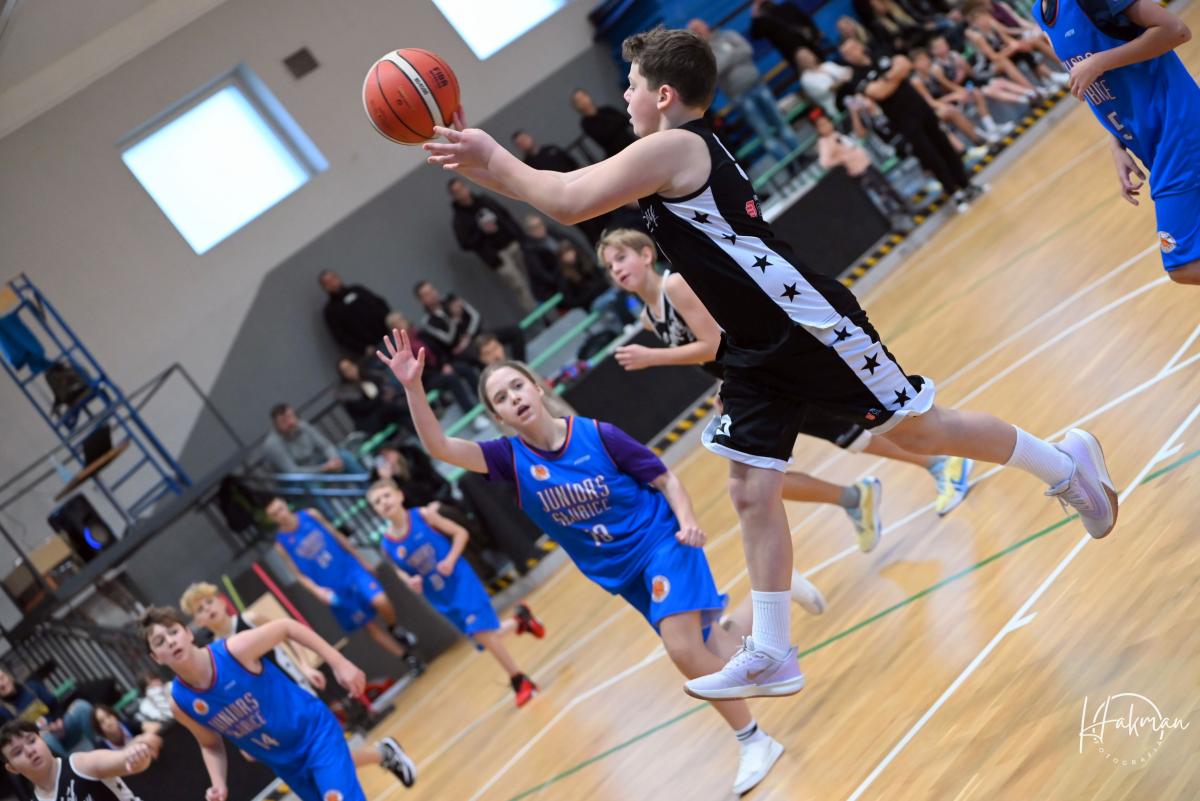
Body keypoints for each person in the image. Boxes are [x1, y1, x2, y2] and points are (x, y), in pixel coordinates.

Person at [420, 25, 1117, 706]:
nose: (623, 97)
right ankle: (774, 648)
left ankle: (1064, 466)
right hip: (755, 347)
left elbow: (568, 198)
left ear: (663, 95)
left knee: (922, 430)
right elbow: (549, 188)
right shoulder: (666, 152)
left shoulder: (677, 147)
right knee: (752, 490)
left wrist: (487, 153)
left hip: (806, 324)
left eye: (630, 85)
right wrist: (472, 156)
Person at [376, 335, 826, 794]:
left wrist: (688, 520)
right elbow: (439, 447)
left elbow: (664, 478)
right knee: (714, 645)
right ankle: (780, 590)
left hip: (661, 542)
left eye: (517, 386)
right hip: (620, 572)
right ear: (498, 417)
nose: (514, 398)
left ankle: (753, 740)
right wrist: (413, 388)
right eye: (501, 398)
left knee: (683, 649)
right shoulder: (508, 459)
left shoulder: (597, 435)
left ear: (536, 387)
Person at [600, 227, 971, 538]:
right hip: (749, 383)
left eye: (620, 258)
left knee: (846, 433)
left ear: (646, 254)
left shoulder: (676, 286)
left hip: (770, 367)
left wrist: (653, 357)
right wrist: (723, 389)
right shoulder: (649, 317)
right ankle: (856, 498)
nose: (616, 269)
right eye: (609, 266)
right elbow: (714, 356)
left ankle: (939, 464)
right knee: (762, 476)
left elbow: (712, 343)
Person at [140, 606, 415, 801]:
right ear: (156, 657)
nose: (170, 642)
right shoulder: (181, 702)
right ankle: (384, 754)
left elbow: (286, 627)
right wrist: (219, 783)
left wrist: (339, 663)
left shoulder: (234, 650)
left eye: (173, 632)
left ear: (188, 633)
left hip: (314, 733)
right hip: (285, 763)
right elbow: (210, 744)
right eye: (160, 641)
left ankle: (384, 754)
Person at [1034, 0, 1200, 284]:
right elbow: (1110, 86)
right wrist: (1117, 143)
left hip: (1178, 131)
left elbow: (1176, 30)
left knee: (1183, 265)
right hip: (1155, 144)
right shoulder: (1041, 11)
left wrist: (1100, 62)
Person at [367, 480, 544, 707]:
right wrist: (410, 580)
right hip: (438, 595)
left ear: (399, 495)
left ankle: (519, 680)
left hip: (460, 580)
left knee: (480, 631)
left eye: (386, 496)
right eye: (377, 502)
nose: (383, 502)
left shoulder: (423, 516)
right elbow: (399, 570)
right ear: (375, 510)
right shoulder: (387, 544)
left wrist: (450, 559)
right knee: (483, 638)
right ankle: (520, 620)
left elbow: (460, 533)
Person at [266, 497, 424, 673]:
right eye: (275, 514)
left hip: (350, 569)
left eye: (280, 509)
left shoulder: (310, 515)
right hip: (332, 587)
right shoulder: (281, 544)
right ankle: (408, 658)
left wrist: (361, 559)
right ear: (273, 519)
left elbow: (337, 536)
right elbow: (298, 574)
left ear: (286, 506)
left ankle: (394, 627)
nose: (280, 514)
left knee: (380, 600)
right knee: (368, 625)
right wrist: (317, 591)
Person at [840, 37, 986, 212]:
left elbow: (905, 64)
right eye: (846, 53)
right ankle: (955, 193)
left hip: (920, 107)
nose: (852, 53)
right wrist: (895, 75)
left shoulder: (880, 52)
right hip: (902, 118)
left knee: (945, 146)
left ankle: (966, 184)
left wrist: (887, 79)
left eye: (852, 48)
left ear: (859, 45)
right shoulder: (856, 78)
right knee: (930, 155)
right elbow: (879, 93)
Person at [687, 19, 803, 168]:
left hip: (757, 84)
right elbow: (715, 70)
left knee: (780, 122)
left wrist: (726, 59)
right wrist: (733, 54)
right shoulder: (703, 54)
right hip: (739, 96)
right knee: (764, 133)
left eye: (699, 26)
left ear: (705, 24)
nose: (699, 30)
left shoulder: (727, 35)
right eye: (695, 30)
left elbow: (747, 49)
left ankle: (801, 156)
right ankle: (790, 165)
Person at [0, 719, 159, 801]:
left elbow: (127, 762)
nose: (30, 751)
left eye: (32, 741)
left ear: (43, 740)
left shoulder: (81, 764)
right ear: (12, 768)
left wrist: (136, 753)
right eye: (18, 752)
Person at [448, 178, 537, 313]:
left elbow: (505, 215)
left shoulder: (485, 201)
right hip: (497, 256)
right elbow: (464, 243)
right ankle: (537, 314)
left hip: (511, 242)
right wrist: (481, 231)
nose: (462, 193)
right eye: (457, 192)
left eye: (462, 188)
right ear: (454, 196)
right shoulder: (459, 219)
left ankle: (550, 307)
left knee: (534, 274)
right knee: (519, 285)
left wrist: (520, 236)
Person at [814, 116, 915, 229]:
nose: (827, 125)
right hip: (859, 171)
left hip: (866, 164)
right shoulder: (824, 143)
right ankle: (896, 219)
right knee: (881, 194)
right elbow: (824, 162)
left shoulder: (836, 134)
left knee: (887, 187)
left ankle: (906, 207)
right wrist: (842, 159)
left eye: (827, 122)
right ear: (818, 129)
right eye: (823, 125)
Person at [383, 311, 484, 426]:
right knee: (451, 378)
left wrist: (444, 364)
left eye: (401, 319)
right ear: (393, 329)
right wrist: (440, 371)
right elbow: (415, 371)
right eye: (396, 323)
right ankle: (474, 417)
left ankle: (483, 399)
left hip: (439, 367)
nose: (401, 323)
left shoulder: (420, 334)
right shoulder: (400, 349)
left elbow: (437, 349)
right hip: (426, 378)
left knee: (464, 368)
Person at [414, 280, 526, 364]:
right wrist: (454, 319)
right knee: (482, 355)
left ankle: (521, 366)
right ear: (422, 300)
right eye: (427, 294)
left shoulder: (450, 299)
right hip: (462, 349)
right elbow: (448, 340)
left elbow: (476, 316)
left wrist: (468, 335)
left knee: (515, 331)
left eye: (432, 290)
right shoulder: (428, 321)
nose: (432, 294)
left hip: (477, 334)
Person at [0, 668, 94, 757]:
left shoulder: (32, 687)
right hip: (42, 743)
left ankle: (100, 744)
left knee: (81, 707)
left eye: (2, 678)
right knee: (45, 738)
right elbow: (17, 736)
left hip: (61, 728)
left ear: (9, 676)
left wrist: (58, 720)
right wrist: (43, 731)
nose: (2, 684)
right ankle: (66, 766)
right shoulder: (3, 712)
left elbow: (55, 705)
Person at [335, 358, 414, 437]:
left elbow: (385, 388)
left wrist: (384, 395)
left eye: (350, 366)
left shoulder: (369, 376)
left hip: (388, 412)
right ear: (343, 375)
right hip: (371, 421)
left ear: (355, 365)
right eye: (345, 370)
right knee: (395, 409)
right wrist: (380, 396)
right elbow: (365, 408)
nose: (350, 371)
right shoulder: (346, 392)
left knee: (403, 417)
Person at [319, 271, 391, 357]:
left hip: (388, 333)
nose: (332, 283)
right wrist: (363, 349)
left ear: (338, 278)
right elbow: (341, 336)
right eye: (328, 282)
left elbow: (379, 303)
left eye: (333, 278)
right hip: (373, 348)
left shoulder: (357, 290)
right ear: (324, 288)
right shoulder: (330, 310)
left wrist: (390, 320)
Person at [261, 404, 347, 475]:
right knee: (305, 481)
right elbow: (293, 471)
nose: (291, 423)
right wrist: (323, 468)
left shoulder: (303, 426)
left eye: (291, 417)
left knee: (344, 456)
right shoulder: (272, 444)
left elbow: (326, 446)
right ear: (275, 425)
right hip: (296, 479)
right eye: (284, 421)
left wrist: (334, 460)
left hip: (316, 463)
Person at [749, 0, 825, 65]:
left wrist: (816, 35)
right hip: (796, 56)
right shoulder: (764, 22)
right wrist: (755, 13)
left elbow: (807, 21)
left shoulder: (787, 7)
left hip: (809, 46)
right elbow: (756, 35)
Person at [570, 89, 637, 158]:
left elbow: (625, 119)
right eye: (579, 100)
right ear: (576, 106)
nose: (583, 101)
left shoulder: (606, 109)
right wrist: (616, 124)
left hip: (631, 143)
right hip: (617, 154)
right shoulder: (585, 123)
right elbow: (604, 136)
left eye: (583, 96)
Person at [795, 47, 853, 115]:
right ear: (800, 63)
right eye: (804, 58)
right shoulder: (806, 79)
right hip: (836, 104)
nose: (808, 58)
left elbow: (848, 70)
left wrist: (844, 78)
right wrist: (843, 80)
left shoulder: (827, 65)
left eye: (808, 54)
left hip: (848, 92)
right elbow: (829, 89)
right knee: (848, 91)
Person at [90, 706, 161, 751]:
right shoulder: (101, 747)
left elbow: (154, 726)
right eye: (102, 722)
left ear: (115, 716)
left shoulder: (127, 725)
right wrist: (134, 743)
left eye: (109, 716)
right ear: (99, 729)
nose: (108, 722)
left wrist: (143, 738)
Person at [511, 130, 580, 173]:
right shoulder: (527, 166)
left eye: (524, 139)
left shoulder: (552, 148)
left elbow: (572, 162)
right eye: (520, 143)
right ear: (518, 147)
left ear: (529, 137)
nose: (524, 143)